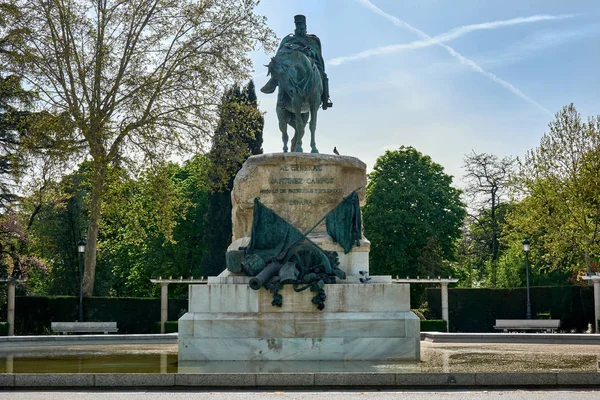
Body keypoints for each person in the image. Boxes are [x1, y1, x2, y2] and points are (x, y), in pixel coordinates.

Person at [261, 14, 332, 110]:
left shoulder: (313, 40)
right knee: (282, 74)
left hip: (311, 63)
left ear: (305, 26)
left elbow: (318, 54)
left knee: (323, 75)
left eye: (301, 24)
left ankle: (325, 98)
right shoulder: (288, 39)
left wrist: (310, 52)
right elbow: (280, 54)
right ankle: (281, 99)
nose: (299, 26)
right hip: (292, 65)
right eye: (297, 24)